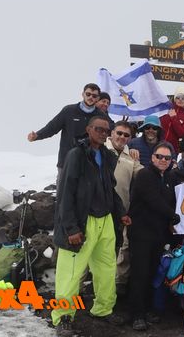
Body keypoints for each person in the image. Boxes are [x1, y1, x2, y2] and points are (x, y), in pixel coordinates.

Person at [51, 115, 130, 334]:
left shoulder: (105, 156)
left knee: (106, 268)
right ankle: (63, 316)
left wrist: (121, 213)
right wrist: (72, 228)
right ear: (88, 129)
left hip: (104, 220)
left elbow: (109, 189)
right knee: (71, 273)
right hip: (82, 222)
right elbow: (65, 194)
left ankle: (104, 309)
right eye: (99, 129)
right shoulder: (76, 155)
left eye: (106, 130)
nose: (103, 133)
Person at [127, 141, 180, 331]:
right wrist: (174, 216)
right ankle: (136, 314)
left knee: (152, 272)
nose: (163, 160)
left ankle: (148, 309)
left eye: (167, 158)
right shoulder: (144, 175)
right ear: (152, 157)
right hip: (141, 232)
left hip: (159, 234)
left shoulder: (171, 177)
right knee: (139, 273)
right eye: (159, 156)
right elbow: (154, 200)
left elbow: (176, 198)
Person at [27, 83, 104, 187]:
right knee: (63, 198)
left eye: (94, 96)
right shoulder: (69, 111)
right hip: (66, 162)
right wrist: (37, 135)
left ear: (98, 98)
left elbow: (112, 132)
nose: (91, 97)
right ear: (83, 94)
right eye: (88, 94)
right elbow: (52, 127)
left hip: (90, 164)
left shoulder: (101, 115)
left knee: (86, 199)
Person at [105, 121, 143, 291]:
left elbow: (142, 173)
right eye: (119, 133)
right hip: (100, 210)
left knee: (122, 248)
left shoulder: (131, 156)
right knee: (96, 249)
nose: (121, 137)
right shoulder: (100, 149)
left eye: (126, 135)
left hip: (122, 210)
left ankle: (118, 285)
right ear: (112, 133)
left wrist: (164, 167)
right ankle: (81, 288)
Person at [160, 86, 184, 155]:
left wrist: (174, 118)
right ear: (174, 99)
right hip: (158, 146)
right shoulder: (165, 110)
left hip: (172, 149)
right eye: (178, 97)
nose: (180, 100)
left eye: (183, 98)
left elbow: (181, 133)